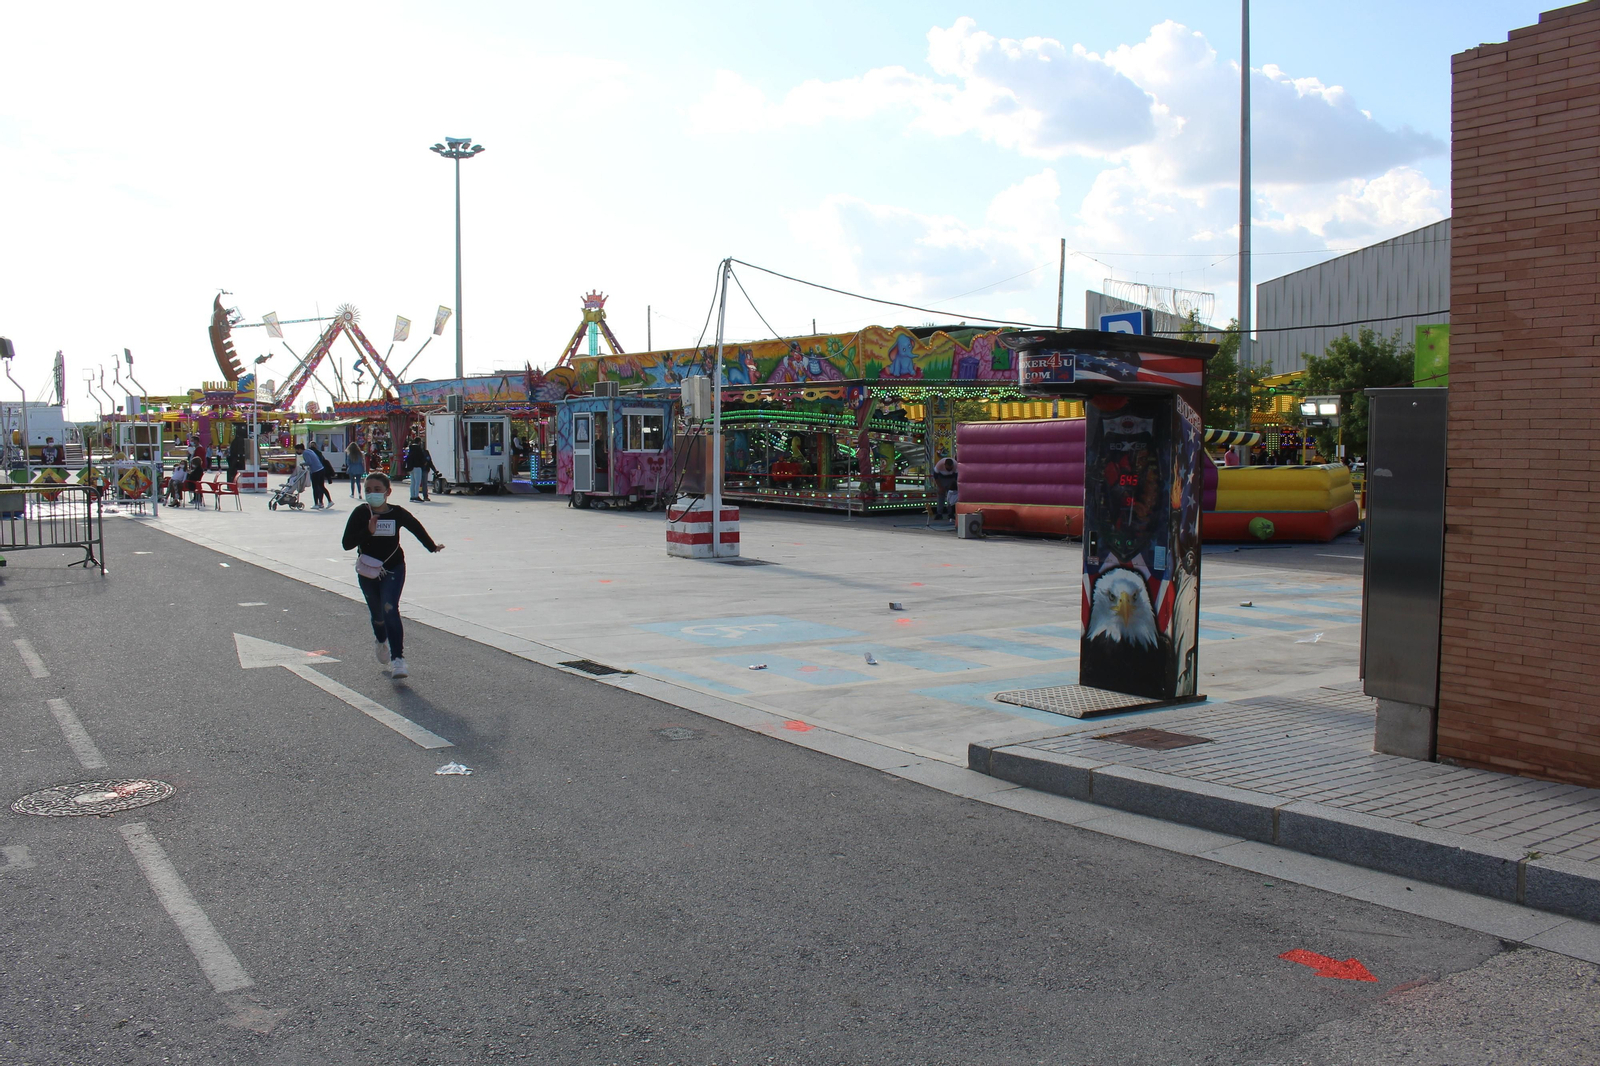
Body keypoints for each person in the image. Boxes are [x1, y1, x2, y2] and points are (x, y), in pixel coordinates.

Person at [341, 472, 445, 680]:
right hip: (368, 570)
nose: (372, 494)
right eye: (368, 490)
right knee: (378, 615)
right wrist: (367, 531)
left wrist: (432, 547)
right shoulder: (361, 513)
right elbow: (346, 544)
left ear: (388, 492)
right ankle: (381, 640)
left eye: (377, 490)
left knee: (390, 608)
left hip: (393, 567)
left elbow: (416, 528)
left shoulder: (397, 513)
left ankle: (398, 659)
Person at [298, 442, 332, 509]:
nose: (296, 452)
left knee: (315, 488)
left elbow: (309, 462)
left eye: (297, 450)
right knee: (321, 486)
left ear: (299, 449)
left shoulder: (305, 453)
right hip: (321, 469)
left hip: (315, 471)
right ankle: (329, 501)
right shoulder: (309, 451)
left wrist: (302, 464)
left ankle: (316, 504)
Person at [404, 437, 437, 502]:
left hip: (411, 468)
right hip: (418, 467)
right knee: (417, 483)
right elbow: (423, 459)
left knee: (413, 482)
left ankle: (412, 496)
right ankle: (416, 496)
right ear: (419, 442)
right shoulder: (419, 450)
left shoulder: (410, 449)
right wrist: (423, 463)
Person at [932, 456, 958, 521]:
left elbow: (956, 477)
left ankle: (950, 514)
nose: (949, 469)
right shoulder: (939, 464)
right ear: (944, 465)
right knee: (941, 496)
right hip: (941, 479)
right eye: (948, 468)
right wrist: (940, 487)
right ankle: (939, 514)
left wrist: (953, 487)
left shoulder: (956, 465)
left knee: (951, 498)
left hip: (951, 479)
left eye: (950, 468)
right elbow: (936, 476)